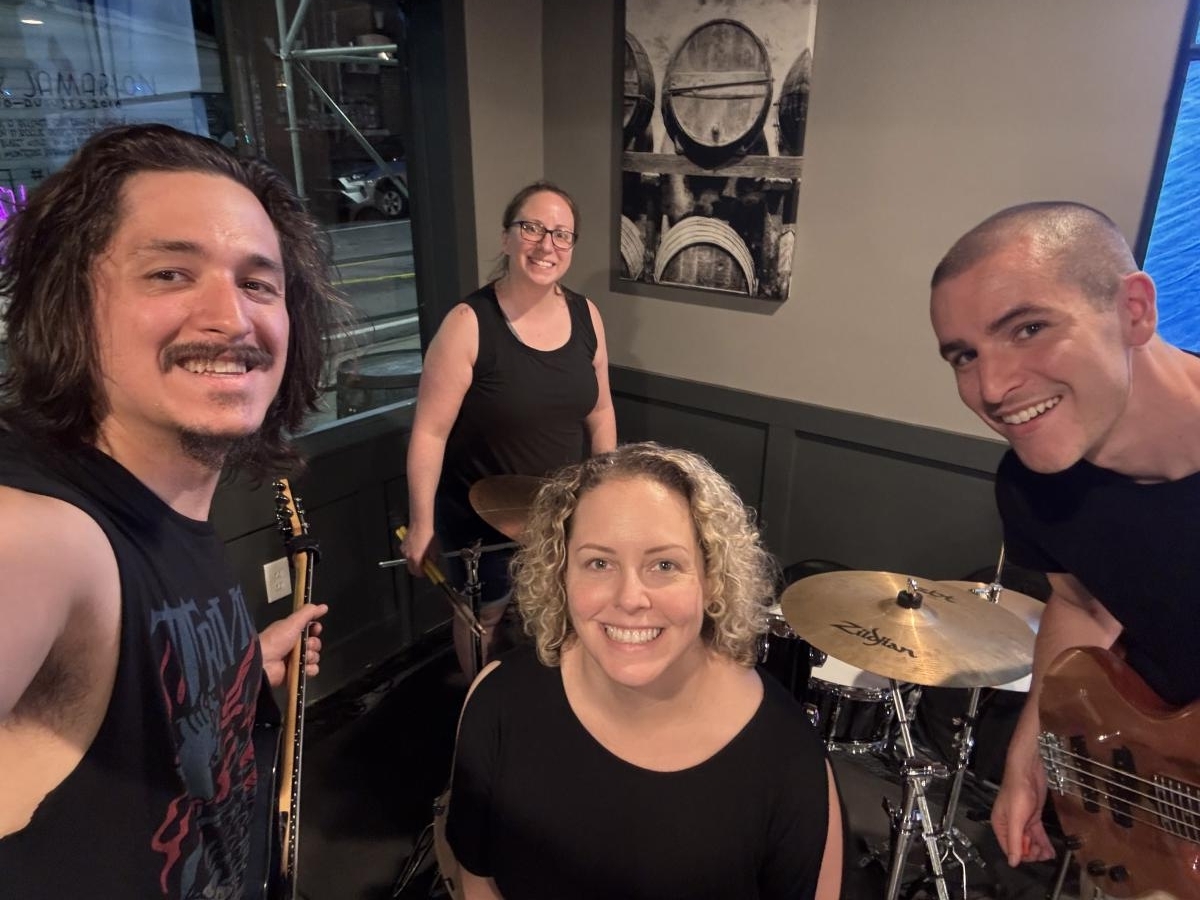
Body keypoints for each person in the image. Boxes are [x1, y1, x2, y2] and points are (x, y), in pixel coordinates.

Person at [0, 123, 339, 898]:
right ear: (70, 305)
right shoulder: (40, 536)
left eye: (258, 284)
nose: (231, 317)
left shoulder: (165, 510)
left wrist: (234, 674)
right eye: (170, 274)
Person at [445, 442, 843, 900]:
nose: (630, 598)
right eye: (599, 563)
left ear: (711, 578)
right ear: (561, 574)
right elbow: (477, 877)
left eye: (664, 564)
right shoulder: (500, 700)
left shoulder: (787, 761)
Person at [929, 201, 1200, 869]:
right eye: (965, 356)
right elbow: (1083, 603)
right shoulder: (1033, 485)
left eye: (1029, 328)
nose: (993, 387)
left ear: (1134, 311)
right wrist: (1032, 757)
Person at [403, 181, 617, 674]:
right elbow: (430, 433)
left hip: (559, 512)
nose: (546, 245)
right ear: (506, 238)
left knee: (559, 612)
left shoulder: (587, 316)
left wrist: (605, 494)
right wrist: (421, 523)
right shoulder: (468, 323)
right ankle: (479, 702)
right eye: (532, 228)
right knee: (486, 618)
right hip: (479, 515)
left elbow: (601, 412)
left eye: (561, 234)